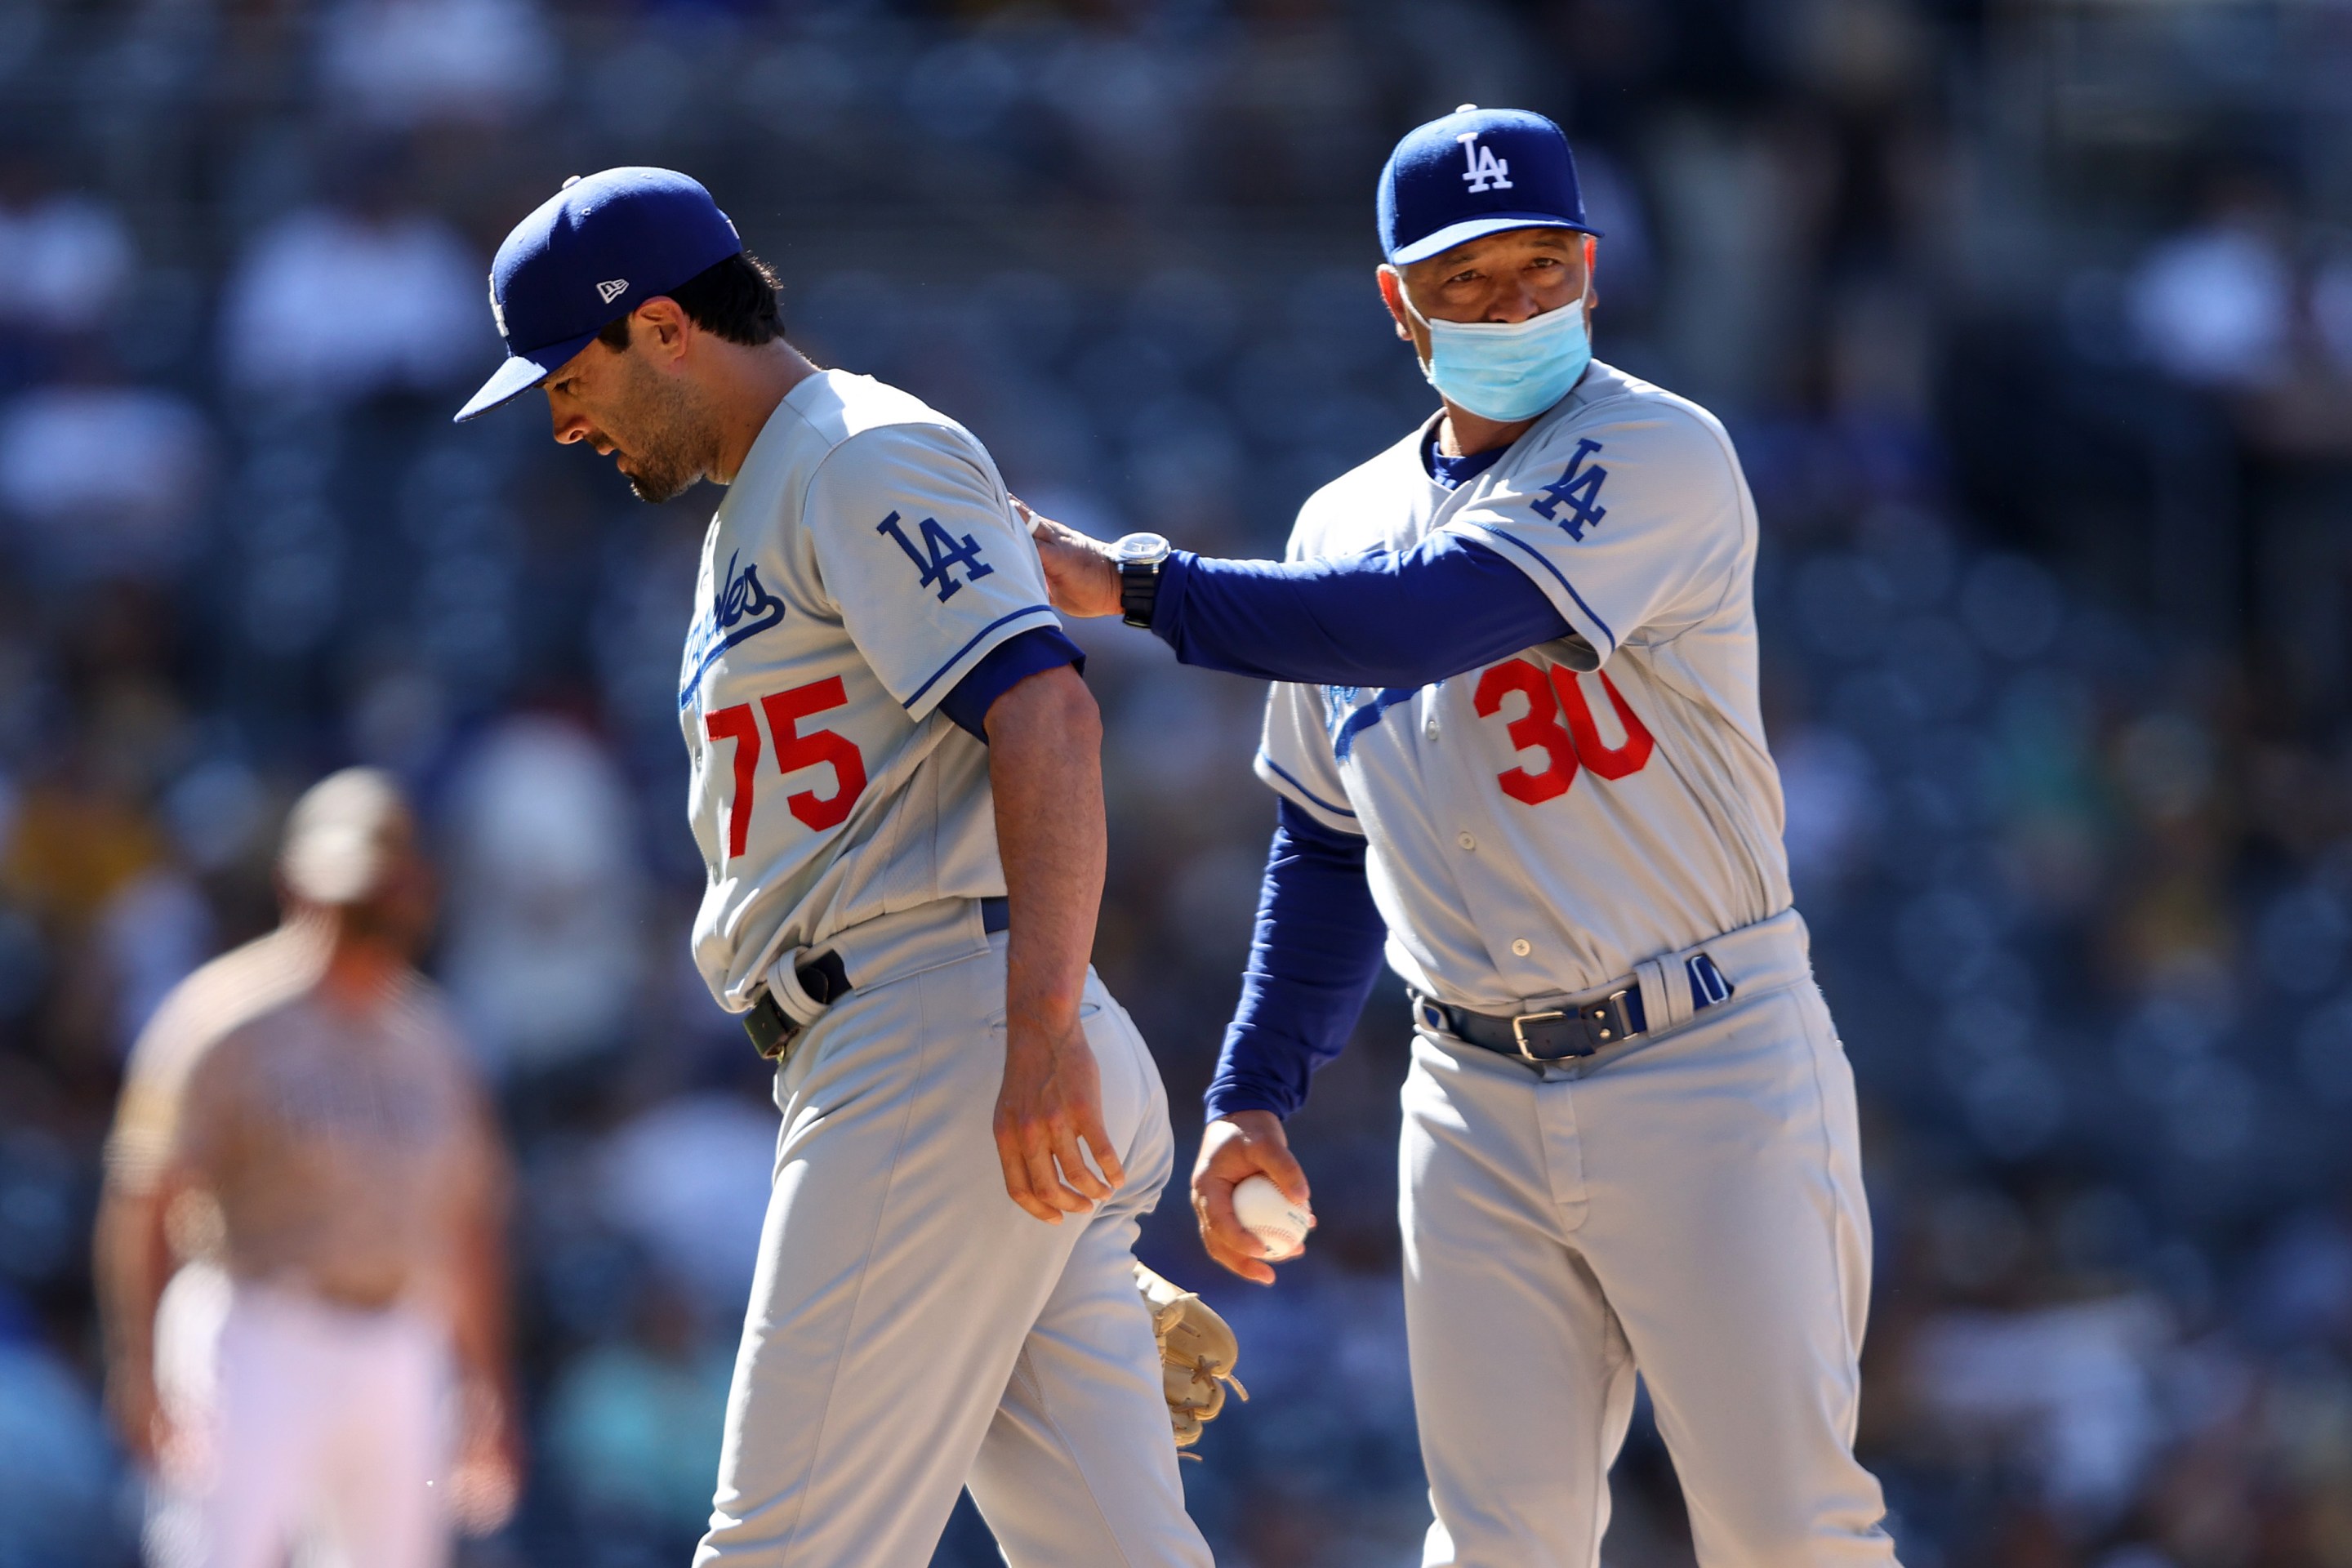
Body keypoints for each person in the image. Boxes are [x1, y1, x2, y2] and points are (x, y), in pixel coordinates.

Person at [1025, 107, 1904, 1566]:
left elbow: (1426, 616)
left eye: (1539, 267)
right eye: (1468, 281)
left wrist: (1136, 587)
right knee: (1495, 1540)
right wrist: (1256, 1088)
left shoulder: (1658, 448)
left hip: (1709, 1063)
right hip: (1470, 1091)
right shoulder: (1339, 517)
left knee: (1786, 1528)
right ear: (1397, 301)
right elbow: (1323, 839)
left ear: (1593, 269)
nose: (1513, 305)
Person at [454, 167, 1210, 1568]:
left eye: (568, 372)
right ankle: (1011, 1254)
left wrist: (1037, 1029)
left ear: (667, 327)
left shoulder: (856, 452)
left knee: (780, 1549)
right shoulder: (761, 496)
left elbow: (1048, 711)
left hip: (939, 1030)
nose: (559, 417)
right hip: (939, 1033)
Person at [93, 768, 518, 1568]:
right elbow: (145, 1196)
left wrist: (485, 1385)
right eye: (354, 893)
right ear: (298, 886)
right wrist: (139, 1366)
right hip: (256, 1327)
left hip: (399, 1337)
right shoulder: (223, 1020)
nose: (370, 917)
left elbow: (468, 1222)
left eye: (387, 893)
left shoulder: (435, 1042)